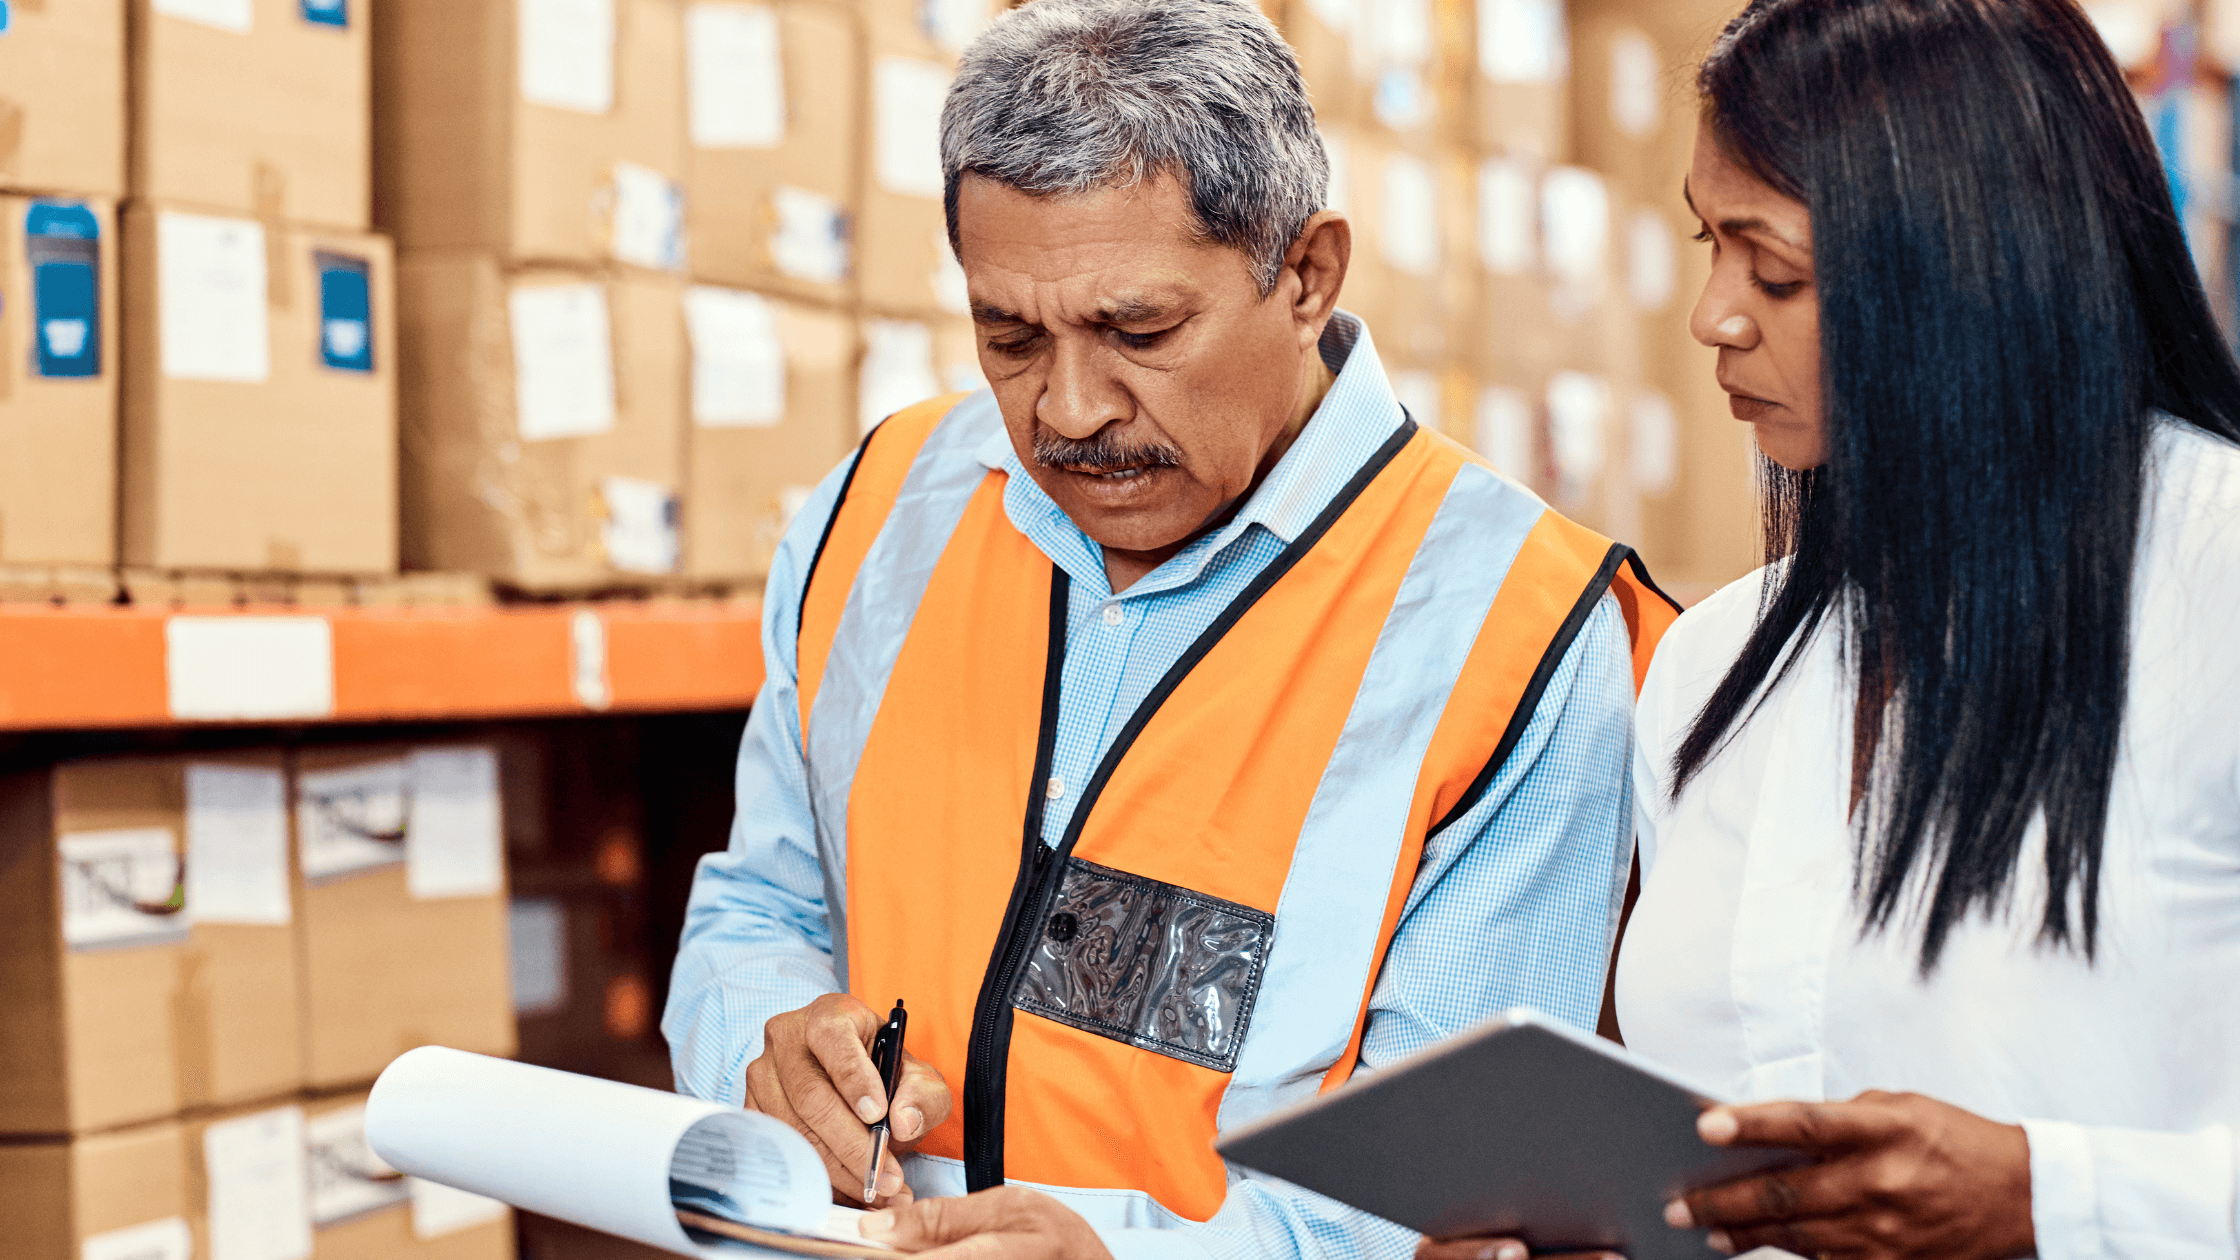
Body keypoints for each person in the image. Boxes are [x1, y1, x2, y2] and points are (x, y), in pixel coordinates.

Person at [662, 1, 1682, 1257]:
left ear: (1305, 275)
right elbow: (759, 902)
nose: (1072, 410)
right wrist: (766, 1047)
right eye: (1009, 337)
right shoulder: (879, 514)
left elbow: (1445, 1204)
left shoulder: (1517, 630)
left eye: (1138, 332)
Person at [1420, 2, 2240, 1259]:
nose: (1713, 317)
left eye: (1774, 268)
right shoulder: (1711, 669)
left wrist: (2046, 1196)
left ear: (1965, 257)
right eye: (1707, 245)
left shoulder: (2212, 584)